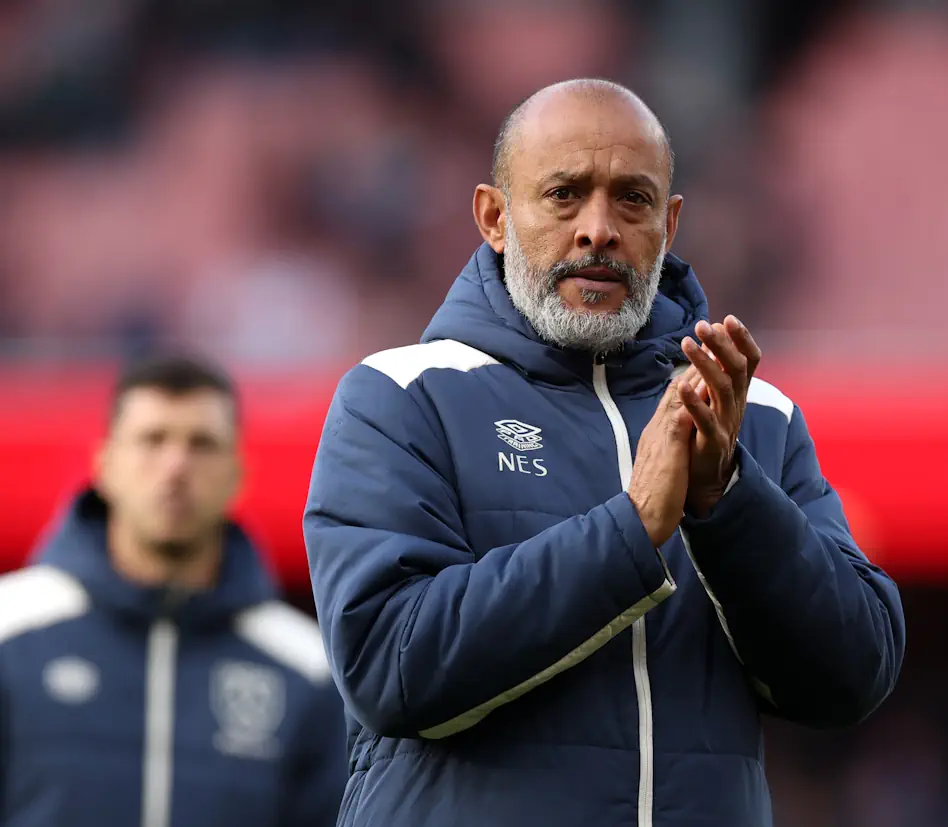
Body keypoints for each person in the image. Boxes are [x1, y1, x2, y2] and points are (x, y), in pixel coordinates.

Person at [304, 79, 906, 827]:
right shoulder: (400, 396)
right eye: (564, 195)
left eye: (632, 199)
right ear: (495, 217)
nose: (599, 228)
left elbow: (856, 672)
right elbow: (388, 664)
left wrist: (727, 500)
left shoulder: (759, 419)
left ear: (670, 223)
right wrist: (630, 530)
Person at [0, 354, 346, 827]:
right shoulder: (10, 629)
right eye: (152, 440)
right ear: (105, 464)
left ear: (236, 474)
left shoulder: (305, 667)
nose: (175, 466)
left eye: (201, 444)